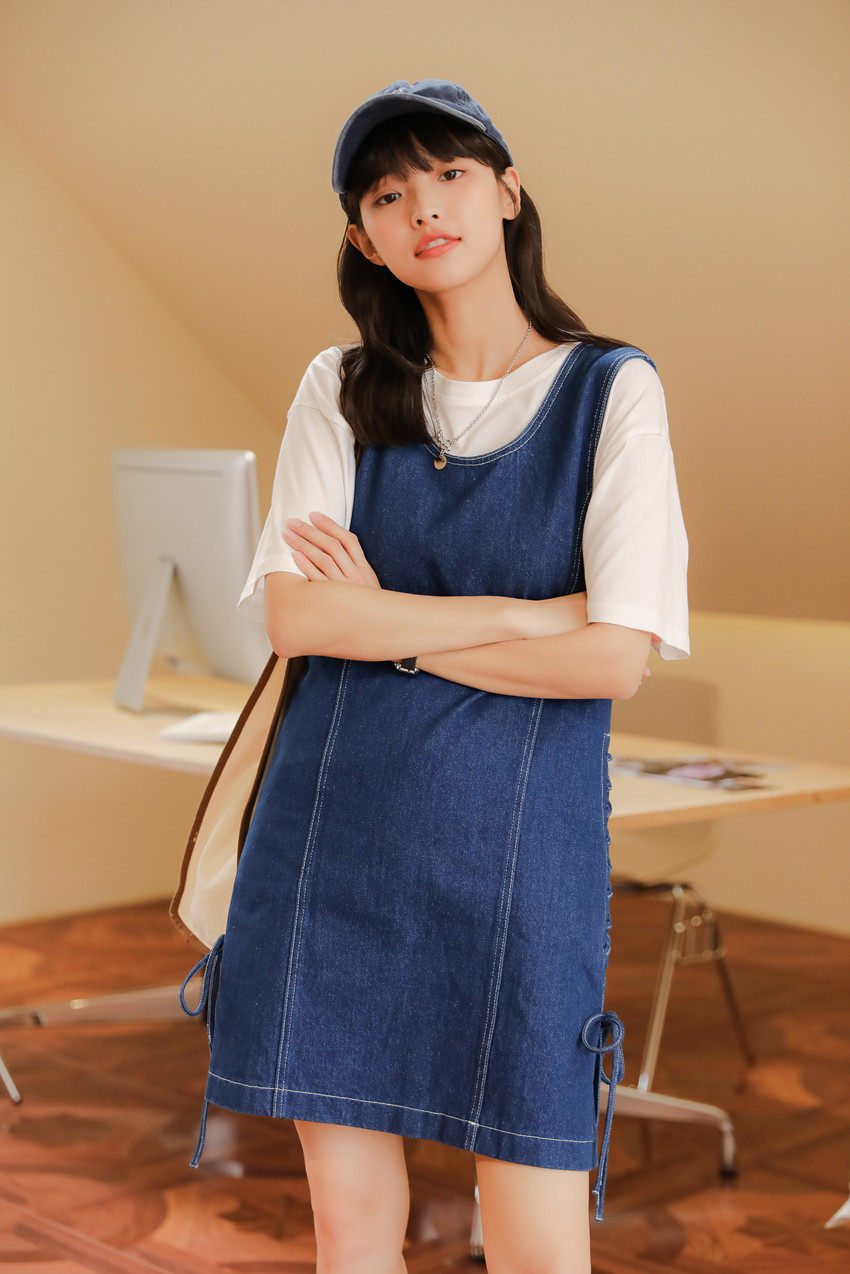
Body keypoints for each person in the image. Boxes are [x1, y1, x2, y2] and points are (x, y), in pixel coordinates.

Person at [179, 78, 690, 1274]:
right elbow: (300, 616)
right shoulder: (340, 386)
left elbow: (610, 656)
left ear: (507, 193)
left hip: (519, 859)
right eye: (386, 194)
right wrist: (515, 612)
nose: (424, 208)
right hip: (330, 841)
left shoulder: (611, 389)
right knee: (352, 1233)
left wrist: (388, 623)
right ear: (364, 238)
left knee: (537, 1243)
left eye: (450, 174)